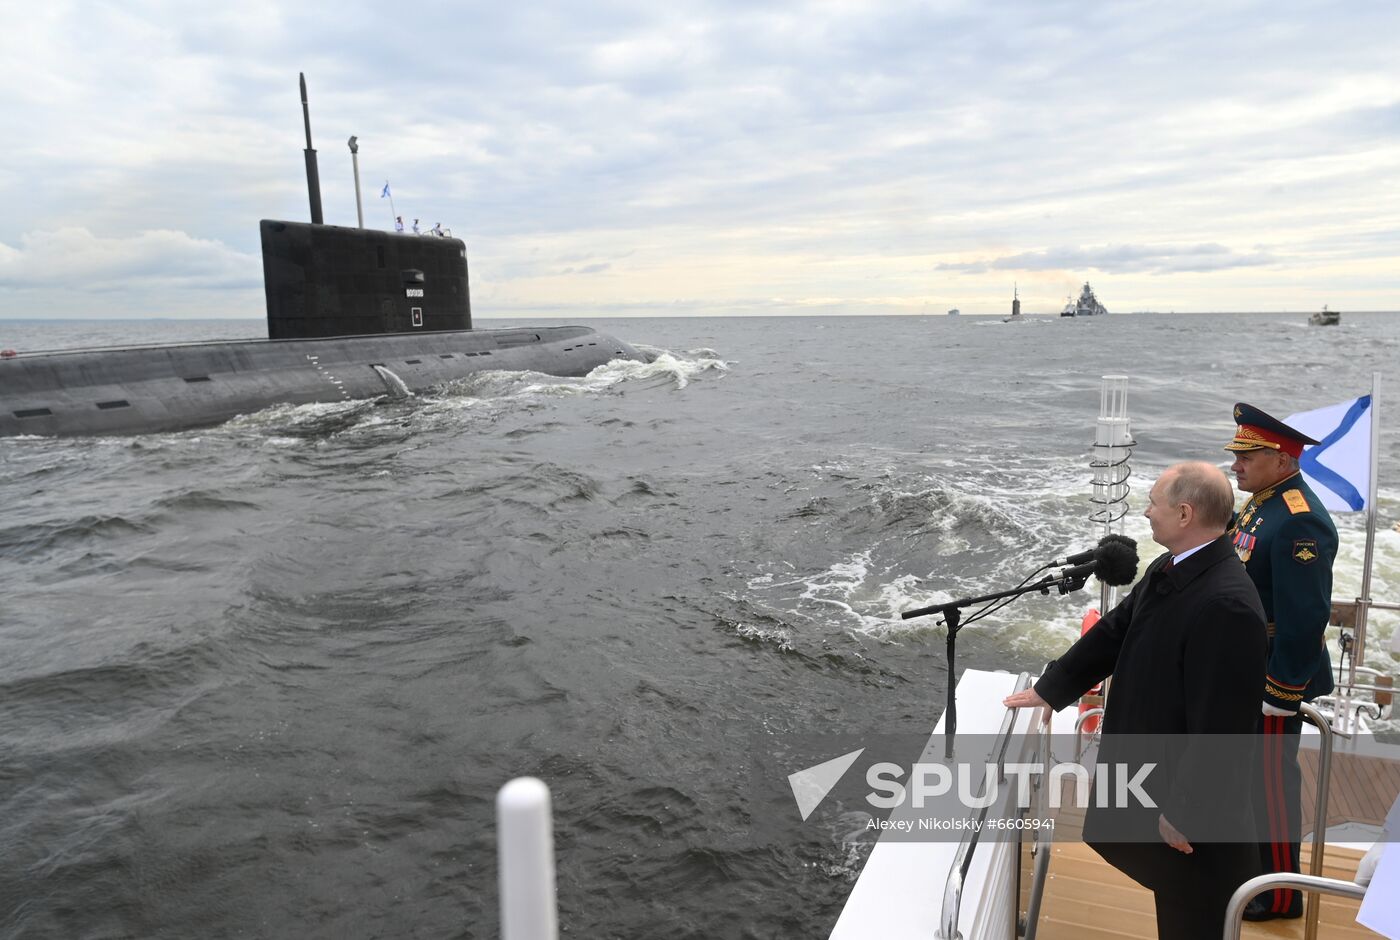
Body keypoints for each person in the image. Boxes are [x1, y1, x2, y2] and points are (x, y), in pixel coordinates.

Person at [1004, 461, 1266, 939]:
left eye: (1154, 503)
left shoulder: (1225, 604)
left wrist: (1189, 809)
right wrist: (1053, 687)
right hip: (1157, 776)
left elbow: (1224, 727)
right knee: (1175, 896)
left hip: (1188, 802)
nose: (1146, 512)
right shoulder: (1174, 567)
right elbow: (1115, 631)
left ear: (1184, 513)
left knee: (1195, 910)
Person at [1224, 402, 1339, 921]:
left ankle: (1281, 896)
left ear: (1281, 458)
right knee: (1247, 782)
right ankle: (1253, 873)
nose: (1237, 466)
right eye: (1238, 455)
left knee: (1270, 786)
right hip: (1249, 667)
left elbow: (1304, 617)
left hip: (1274, 675)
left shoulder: (1299, 521)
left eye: (1247, 456)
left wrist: (1283, 691)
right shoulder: (1261, 504)